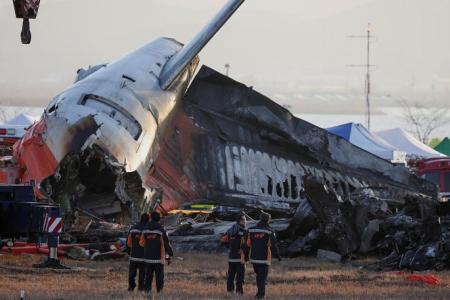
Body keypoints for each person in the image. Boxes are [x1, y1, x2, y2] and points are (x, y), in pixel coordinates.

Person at [247, 212, 281, 299]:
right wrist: (277, 255)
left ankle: (259, 293)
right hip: (264, 258)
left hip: (254, 258)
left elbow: (247, 244)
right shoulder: (270, 231)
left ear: (260, 219)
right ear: (268, 220)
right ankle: (261, 295)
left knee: (259, 277)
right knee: (262, 278)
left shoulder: (251, 230)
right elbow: (273, 245)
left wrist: (246, 256)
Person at [140, 211, 173, 293]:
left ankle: (147, 291)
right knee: (159, 276)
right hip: (159, 258)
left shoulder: (145, 229)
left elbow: (141, 243)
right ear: (159, 219)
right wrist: (169, 256)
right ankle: (159, 291)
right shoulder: (161, 230)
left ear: (151, 218)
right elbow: (166, 244)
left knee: (148, 276)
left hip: (148, 258)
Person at [221, 213, 249, 295]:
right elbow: (247, 245)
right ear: (240, 221)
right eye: (244, 220)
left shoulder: (230, 230)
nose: (245, 222)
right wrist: (245, 256)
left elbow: (222, 240)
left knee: (231, 276)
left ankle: (230, 292)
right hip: (240, 258)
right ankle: (239, 293)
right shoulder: (244, 231)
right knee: (240, 277)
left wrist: (229, 248)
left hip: (231, 257)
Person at [127, 213, 149, 291]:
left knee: (132, 274)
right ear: (148, 220)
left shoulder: (133, 229)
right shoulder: (148, 230)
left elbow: (128, 243)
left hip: (134, 256)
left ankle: (131, 287)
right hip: (144, 257)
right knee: (142, 274)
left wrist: (129, 252)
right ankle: (140, 288)